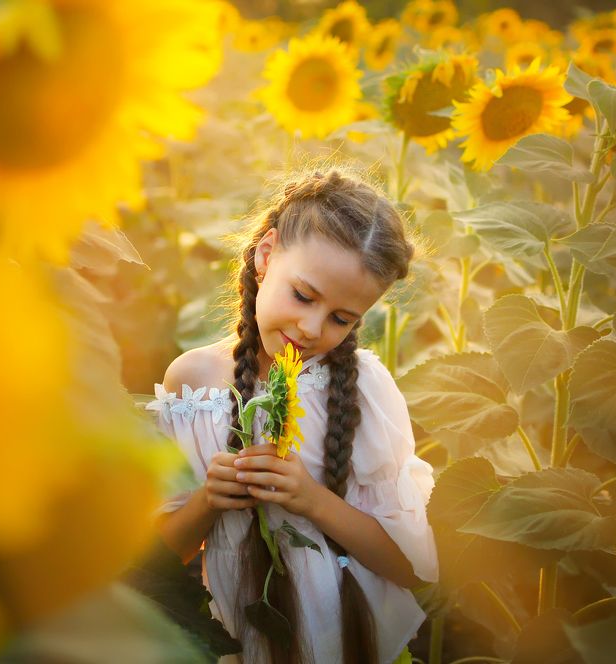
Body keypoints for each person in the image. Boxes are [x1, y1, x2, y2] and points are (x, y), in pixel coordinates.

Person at [147, 170, 437, 664]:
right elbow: (158, 561)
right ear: (266, 255)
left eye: (341, 319)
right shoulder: (192, 382)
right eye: (303, 296)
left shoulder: (364, 388)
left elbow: (409, 567)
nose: (310, 328)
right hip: (232, 641)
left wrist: (312, 500)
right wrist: (208, 500)